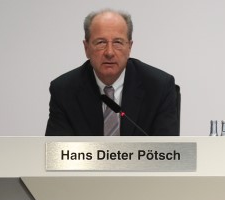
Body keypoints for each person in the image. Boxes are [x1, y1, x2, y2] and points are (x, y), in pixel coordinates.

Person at [45, 9, 179, 136]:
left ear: (129, 47)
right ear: (86, 48)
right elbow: (57, 154)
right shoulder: (64, 90)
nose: (109, 52)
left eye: (118, 42)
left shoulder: (159, 87)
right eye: (101, 42)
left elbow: (168, 153)